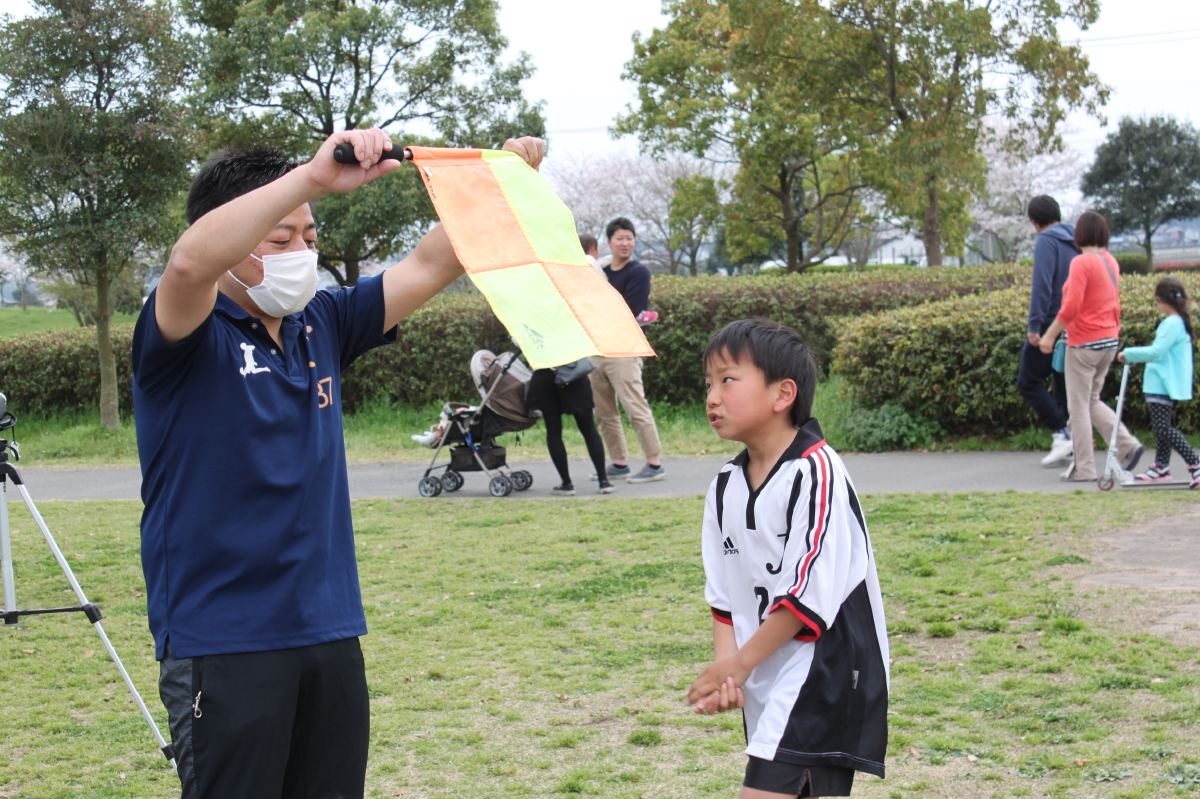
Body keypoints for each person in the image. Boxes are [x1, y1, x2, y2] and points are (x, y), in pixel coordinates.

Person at [131, 128, 545, 799]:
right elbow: (186, 265)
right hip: (224, 639)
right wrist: (310, 178)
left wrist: (495, 182)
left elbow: (432, 263)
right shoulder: (183, 336)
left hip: (328, 629)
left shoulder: (319, 323)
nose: (302, 253)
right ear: (232, 236)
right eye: (280, 237)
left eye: (310, 236)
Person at [688, 318, 889, 798]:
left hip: (825, 670)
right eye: (708, 384)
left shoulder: (817, 472)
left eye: (728, 380)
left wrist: (740, 664)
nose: (712, 397)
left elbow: (805, 599)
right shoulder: (724, 486)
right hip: (767, 673)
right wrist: (728, 667)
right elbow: (723, 596)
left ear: (783, 394)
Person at [1039, 210, 1144, 482]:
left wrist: (1049, 335)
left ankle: (1084, 467)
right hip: (1109, 340)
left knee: (1078, 407)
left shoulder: (1081, 263)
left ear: (1080, 235)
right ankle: (1127, 444)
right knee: (1091, 401)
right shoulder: (1110, 261)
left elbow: (1071, 307)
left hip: (1084, 343)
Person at [589, 216, 666, 483]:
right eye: (620, 238)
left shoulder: (638, 273)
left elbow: (630, 311)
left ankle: (654, 463)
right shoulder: (599, 271)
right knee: (604, 412)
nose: (625, 243)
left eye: (629, 238)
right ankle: (619, 462)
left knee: (635, 406)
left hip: (624, 349)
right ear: (609, 242)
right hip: (597, 348)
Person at [1117, 277, 1200, 488]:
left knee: (1163, 428)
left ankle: (1195, 464)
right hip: (1162, 382)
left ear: (1162, 300)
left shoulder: (1172, 323)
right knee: (1161, 427)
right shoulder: (1178, 321)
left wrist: (1128, 353)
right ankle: (1161, 467)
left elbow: (1157, 351)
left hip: (1162, 382)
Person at [1020, 195, 1077, 468]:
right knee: (1061, 382)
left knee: (1028, 381)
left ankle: (1061, 433)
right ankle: (1071, 441)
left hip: (1050, 322)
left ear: (1034, 221)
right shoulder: (1077, 240)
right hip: (1074, 321)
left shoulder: (1046, 240)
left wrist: (1035, 325)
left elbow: (1042, 285)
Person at [526, 364, 614, 495]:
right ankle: (603, 481)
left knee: (553, 432)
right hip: (574, 374)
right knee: (589, 429)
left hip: (544, 378)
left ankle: (567, 483)